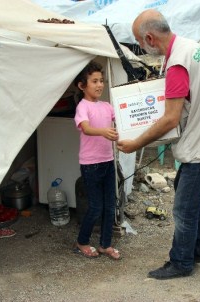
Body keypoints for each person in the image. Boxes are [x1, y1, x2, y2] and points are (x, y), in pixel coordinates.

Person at [117, 10, 200, 279]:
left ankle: (181, 262)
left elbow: (169, 119)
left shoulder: (177, 64)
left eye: (139, 42)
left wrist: (135, 143)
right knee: (185, 189)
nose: (140, 47)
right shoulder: (192, 46)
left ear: (149, 38)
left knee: (183, 207)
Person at [72, 60, 121, 260]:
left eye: (101, 81)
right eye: (94, 81)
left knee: (110, 205)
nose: (100, 85)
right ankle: (82, 241)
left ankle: (105, 244)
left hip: (108, 161)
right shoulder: (82, 107)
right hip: (90, 164)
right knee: (95, 206)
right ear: (82, 85)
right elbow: (86, 128)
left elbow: (121, 121)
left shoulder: (107, 106)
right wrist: (104, 131)